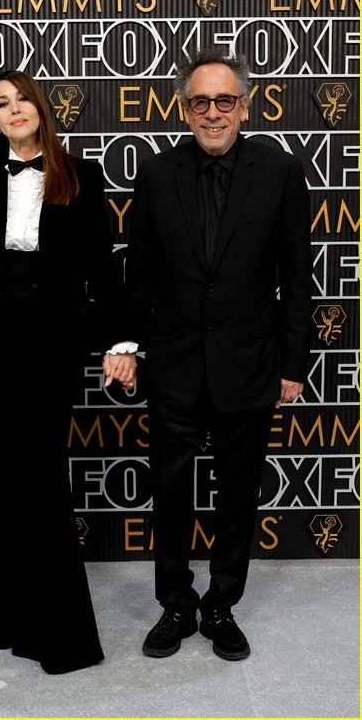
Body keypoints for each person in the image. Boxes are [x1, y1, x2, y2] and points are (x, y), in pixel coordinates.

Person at [0, 70, 137, 675]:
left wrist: (120, 341)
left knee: (39, 473)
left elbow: (102, 266)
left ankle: (62, 637)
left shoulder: (80, 174)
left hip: (53, 340)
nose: (13, 110)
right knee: (9, 475)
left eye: (22, 100)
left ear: (42, 108)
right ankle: (4, 621)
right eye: (1, 104)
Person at [125, 47, 312, 661]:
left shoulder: (281, 172)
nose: (213, 112)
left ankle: (222, 604)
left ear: (245, 105)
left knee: (237, 495)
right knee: (172, 493)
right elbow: (140, 277)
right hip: (174, 363)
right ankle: (176, 604)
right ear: (184, 110)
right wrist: (129, 346)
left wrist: (292, 366)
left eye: (224, 100)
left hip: (251, 363)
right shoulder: (154, 175)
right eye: (200, 101)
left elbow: (296, 277)